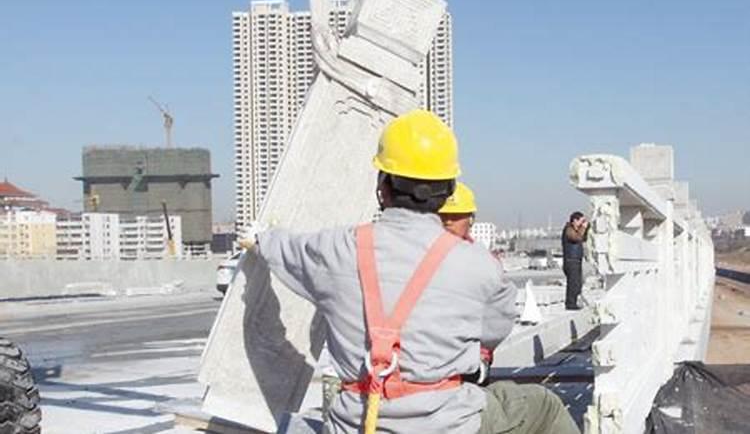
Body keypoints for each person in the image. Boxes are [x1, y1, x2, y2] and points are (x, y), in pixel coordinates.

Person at [243, 110, 579, 434]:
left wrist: (258, 239)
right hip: (448, 424)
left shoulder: (335, 249)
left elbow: (282, 249)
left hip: (359, 423)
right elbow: (494, 329)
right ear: (448, 190)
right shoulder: (478, 265)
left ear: (383, 185)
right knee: (543, 406)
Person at [561, 211, 590, 310]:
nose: (582, 224)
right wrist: (584, 227)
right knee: (573, 283)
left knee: (577, 283)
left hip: (576, 260)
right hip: (570, 260)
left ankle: (574, 302)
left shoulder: (577, 230)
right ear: (574, 220)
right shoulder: (569, 229)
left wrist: (586, 228)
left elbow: (583, 238)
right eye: (581, 221)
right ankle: (570, 304)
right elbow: (576, 238)